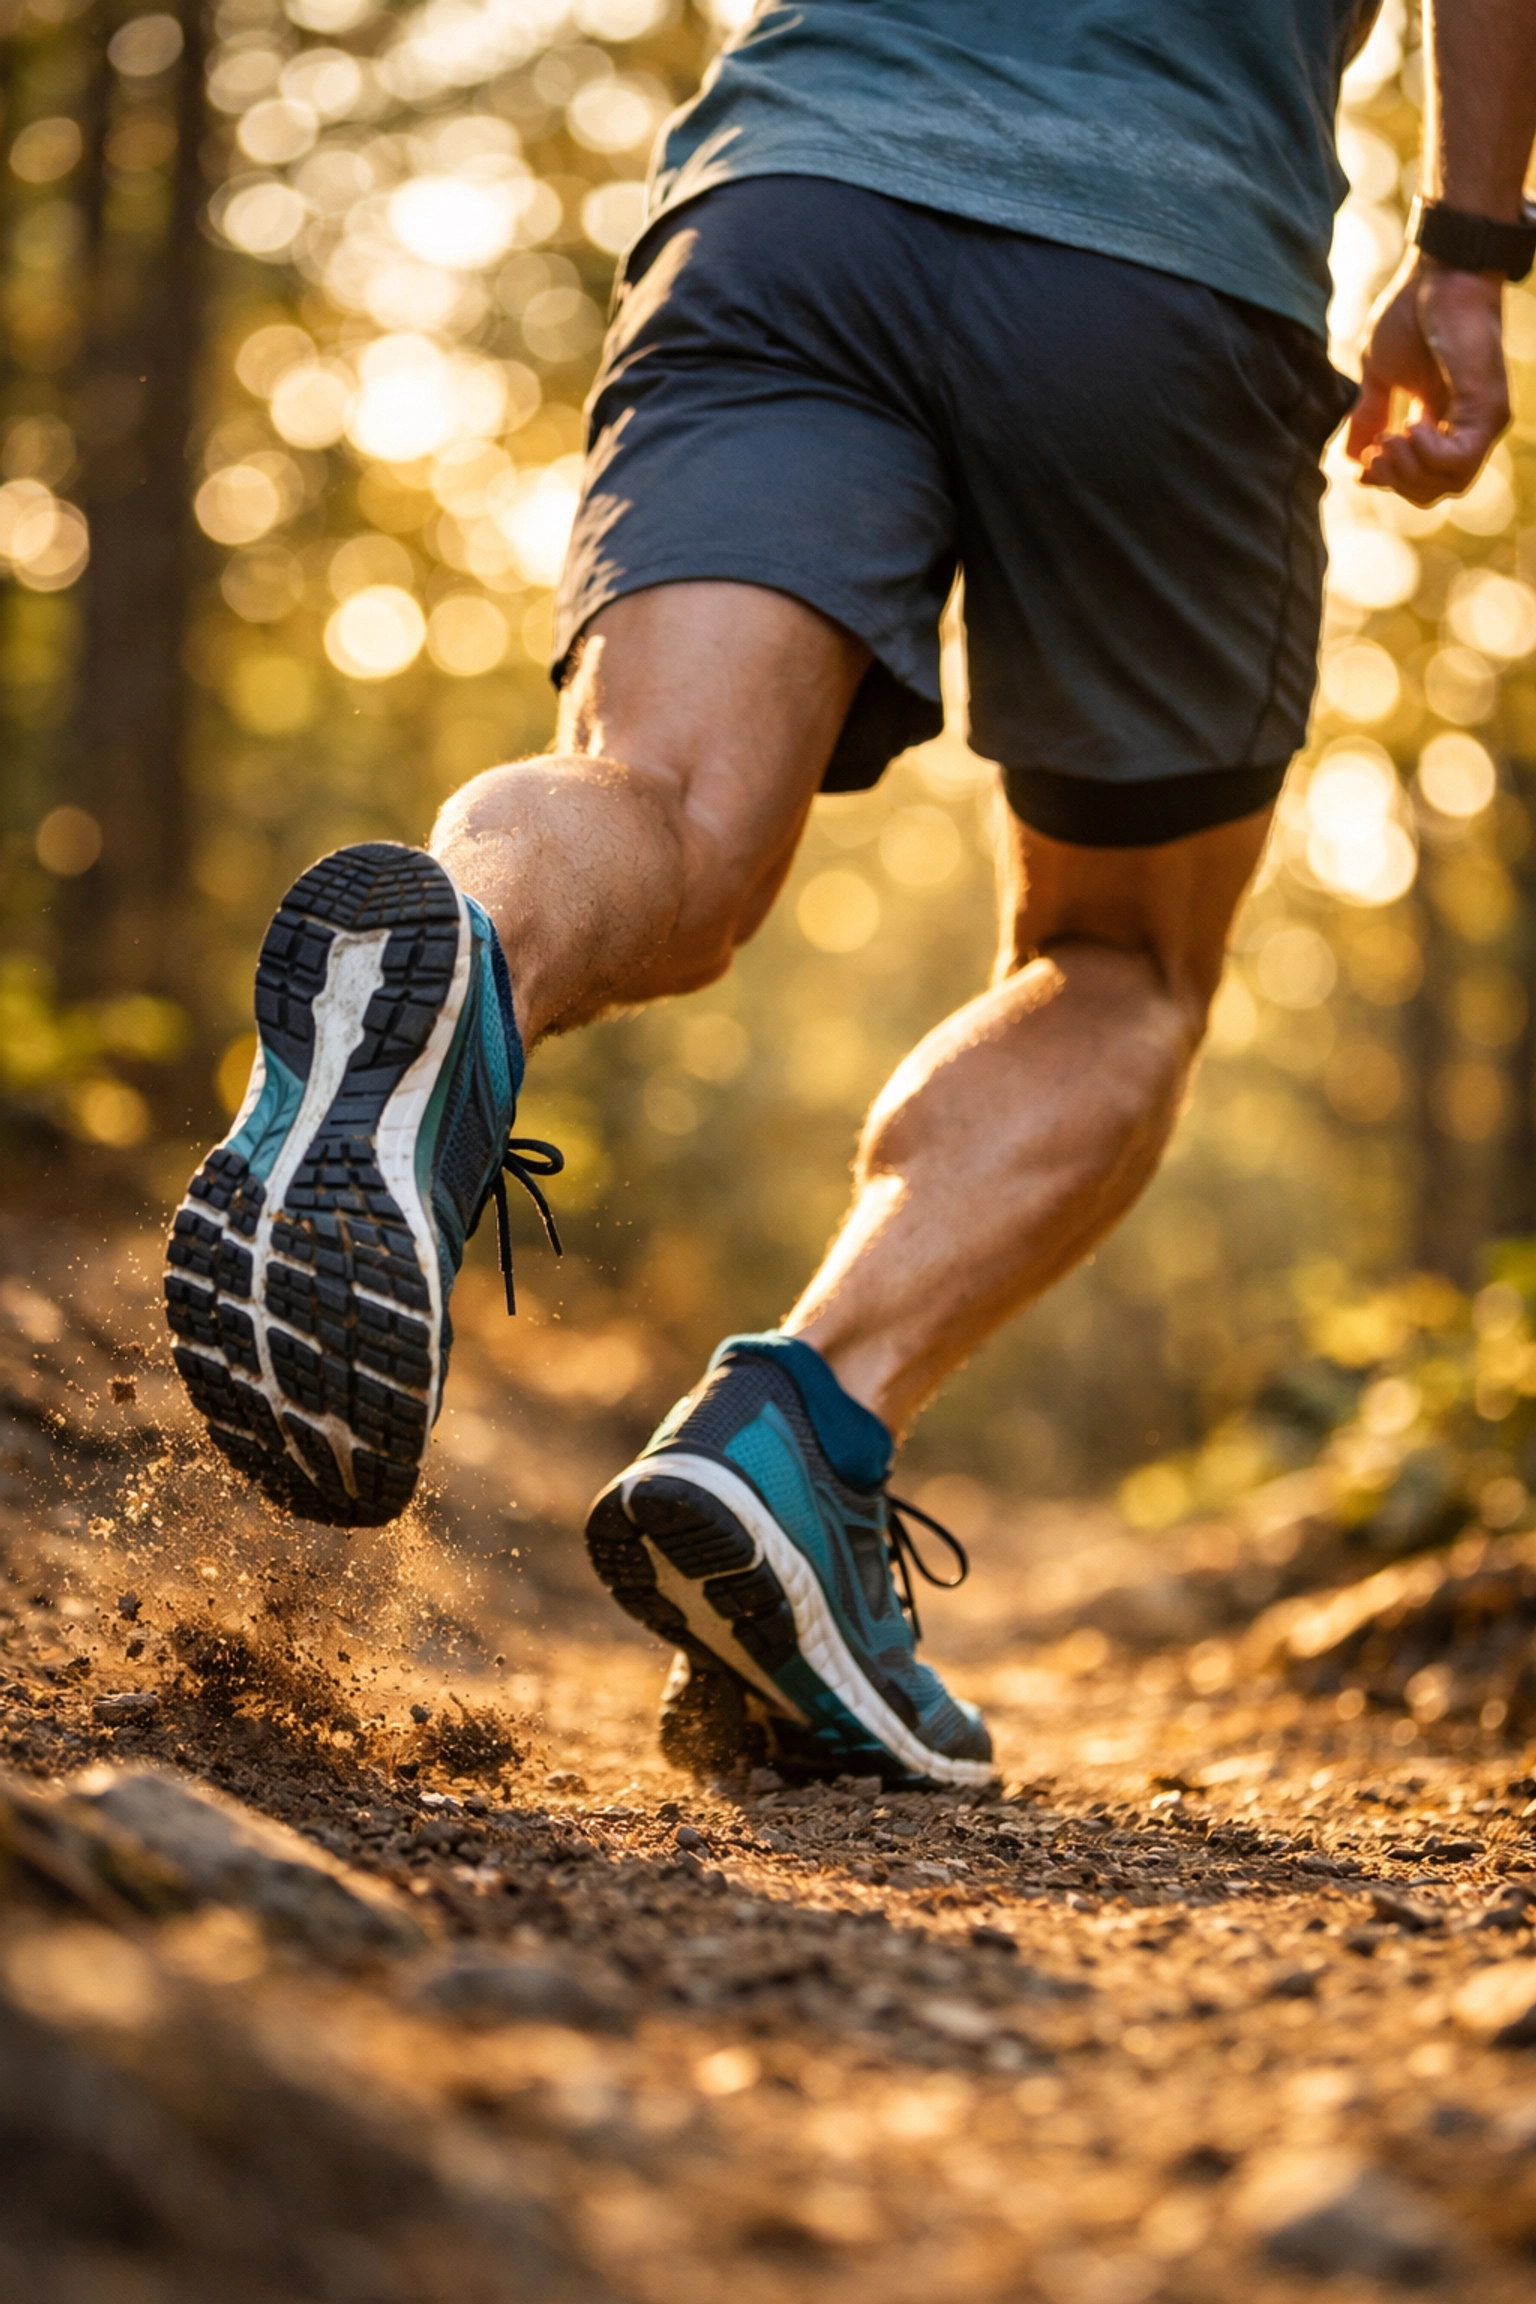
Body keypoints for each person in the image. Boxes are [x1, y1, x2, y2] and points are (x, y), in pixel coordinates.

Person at [164, 0, 1536, 1789]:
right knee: (1121, 960)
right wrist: (1470, 250)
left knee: (661, 801)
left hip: (793, 200)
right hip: (1162, 250)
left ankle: (458, 977)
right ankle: (803, 1429)